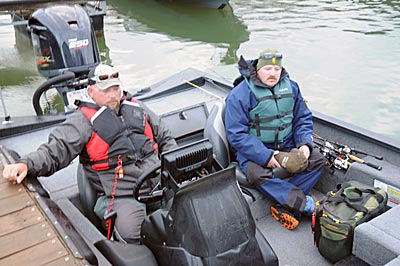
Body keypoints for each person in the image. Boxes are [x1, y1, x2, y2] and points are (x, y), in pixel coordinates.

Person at [2, 64, 177, 243]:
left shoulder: (135, 106)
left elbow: (164, 136)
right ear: (91, 91)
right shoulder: (82, 121)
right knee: (134, 234)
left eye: (116, 88)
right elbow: (55, 150)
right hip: (124, 195)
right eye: (106, 90)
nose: (113, 95)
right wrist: (26, 164)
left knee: (186, 215)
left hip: (158, 182)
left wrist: (174, 167)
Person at [225, 49, 325, 230]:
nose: (273, 74)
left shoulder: (292, 87)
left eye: (276, 69)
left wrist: (304, 144)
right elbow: (236, 135)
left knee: (317, 160)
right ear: (258, 69)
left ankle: (286, 202)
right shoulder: (240, 94)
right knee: (256, 174)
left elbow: (302, 119)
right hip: (254, 149)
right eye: (268, 69)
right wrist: (267, 156)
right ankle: (302, 203)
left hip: (287, 143)